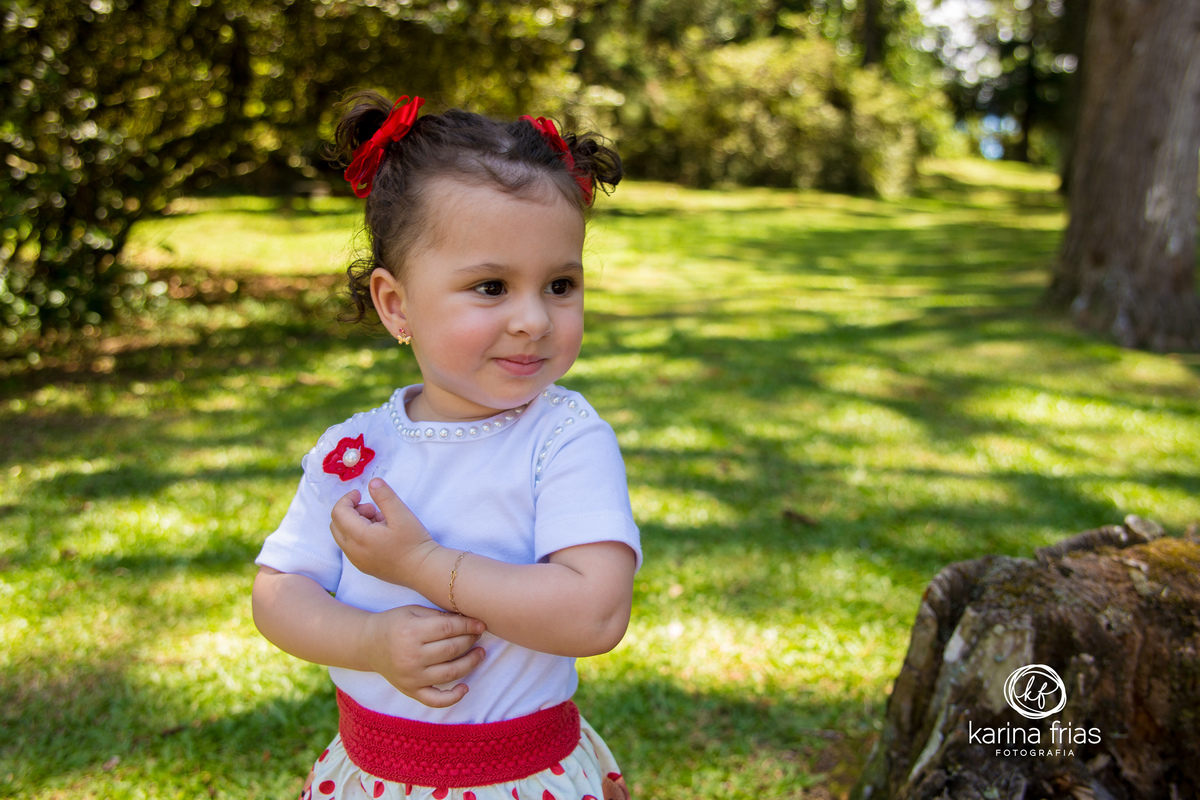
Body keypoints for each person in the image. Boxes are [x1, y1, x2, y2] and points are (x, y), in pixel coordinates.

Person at [251, 91, 640, 800]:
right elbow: (279, 592)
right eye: (491, 286)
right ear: (396, 304)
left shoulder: (563, 439)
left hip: (521, 776)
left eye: (560, 284)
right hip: (372, 774)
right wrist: (367, 643)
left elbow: (597, 612)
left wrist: (423, 564)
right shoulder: (354, 451)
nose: (533, 319)